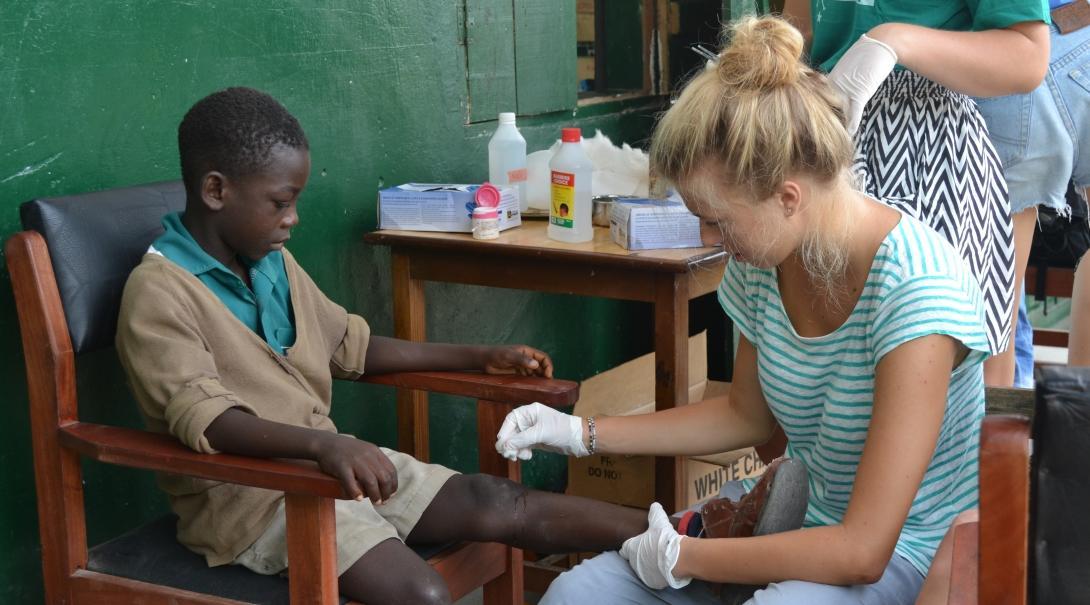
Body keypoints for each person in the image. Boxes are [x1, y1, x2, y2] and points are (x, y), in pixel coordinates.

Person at [496, 16, 991, 605]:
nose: (708, 236)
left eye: (717, 219)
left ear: (787, 197)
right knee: (577, 595)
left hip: (906, 555)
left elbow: (863, 551)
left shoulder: (916, 289)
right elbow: (745, 417)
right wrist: (581, 432)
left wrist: (687, 555)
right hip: (795, 518)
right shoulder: (765, 259)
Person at [114, 86, 646, 605]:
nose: (293, 218)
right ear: (215, 191)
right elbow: (209, 421)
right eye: (281, 202)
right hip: (251, 502)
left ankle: (674, 537)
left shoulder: (267, 261)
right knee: (422, 593)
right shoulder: (159, 293)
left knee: (495, 500)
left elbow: (351, 345)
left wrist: (480, 356)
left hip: (324, 469)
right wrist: (324, 445)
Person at [780, 0, 1050, 386]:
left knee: (931, 366)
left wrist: (896, 40)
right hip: (824, 132)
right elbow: (800, 30)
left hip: (931, 148)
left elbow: (1028, 54)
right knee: (821, 358)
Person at [973, 1, 1090, 373]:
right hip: (1081, 23)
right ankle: (1076, 419)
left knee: (995, 287)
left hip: (997, 49)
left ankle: (1001, 424)